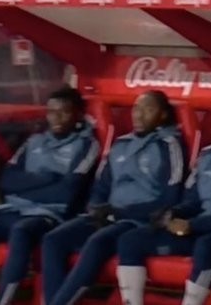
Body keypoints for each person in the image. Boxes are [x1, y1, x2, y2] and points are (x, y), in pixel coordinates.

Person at [0, 87, 98, 305]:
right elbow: (7, 182)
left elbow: (67, 193)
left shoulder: (86, 144)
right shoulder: (34, 142)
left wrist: (27, 185)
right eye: (52, 111)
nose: (56, 118)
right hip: (12, 210)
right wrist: (49, 178)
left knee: (21, 231)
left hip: (48, 216)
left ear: (77, 115)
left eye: (64, 112)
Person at [115, 100, 211, 305]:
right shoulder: (208, 155)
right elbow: (193, 201)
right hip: (198, 227)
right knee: (130, 240)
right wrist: (173, 214)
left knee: (205, 246)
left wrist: (192, 225)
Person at [40, 91, 185, 305]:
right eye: (136, 108)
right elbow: (101, 185)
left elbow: (170, 198)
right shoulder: (120, 144)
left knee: (97, 242)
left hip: (137, 220)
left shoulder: (169, 145)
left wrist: (120, 213)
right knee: (53, 240)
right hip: (107, 216)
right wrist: (95, 207)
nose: (139, 115)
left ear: (162, 115)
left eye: (148, 109)